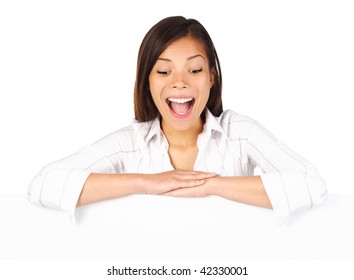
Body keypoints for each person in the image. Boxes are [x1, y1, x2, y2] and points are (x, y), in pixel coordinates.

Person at [27, 16, 327, 220]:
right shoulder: (129, 143)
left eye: (194, 70)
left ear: (211, 77)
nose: (179, 82)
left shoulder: (240, 132)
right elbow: (43, 185)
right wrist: (147, 183)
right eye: (163, 71)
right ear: (147, 80)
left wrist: (210, 186)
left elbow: (311, 185)